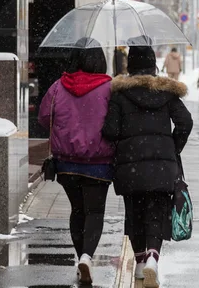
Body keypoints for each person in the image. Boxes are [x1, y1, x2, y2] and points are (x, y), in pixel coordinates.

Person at [102, 38, 193, 288]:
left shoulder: (120, 95)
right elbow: (186, 122)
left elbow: (110, 130)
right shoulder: (166, 93)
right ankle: (154, 256)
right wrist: (173, 147)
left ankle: (140, 263)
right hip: (162, 167)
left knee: (134, 214)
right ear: (154, 66)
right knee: (156, 212)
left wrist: (124, 141)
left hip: (130, 166)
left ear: (130, 66)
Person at [38, 39, 115, 286]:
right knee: (95, 211)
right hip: (99, 162)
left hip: (66, 163)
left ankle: (81, 258)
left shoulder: (58, 86)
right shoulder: (109, 88)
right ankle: (87, 257)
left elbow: (43, 118)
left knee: (78, 210)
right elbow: (117, 123)